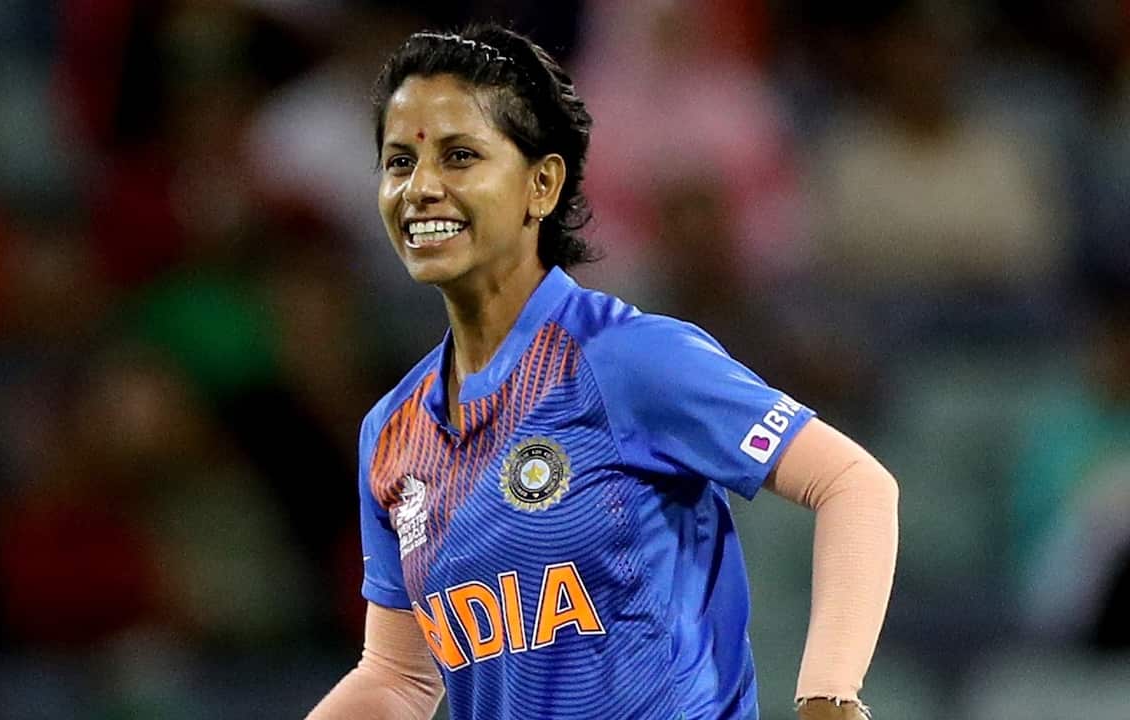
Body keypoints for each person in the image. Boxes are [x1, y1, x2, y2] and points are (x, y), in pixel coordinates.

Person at [306, 23, 898, 720]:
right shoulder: (392, 433)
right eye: (399, 162)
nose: (421, 188)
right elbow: (398, 680)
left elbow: (852, 485)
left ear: (542, 184)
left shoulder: (626, 359)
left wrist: (829, 694)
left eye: (460, 156)